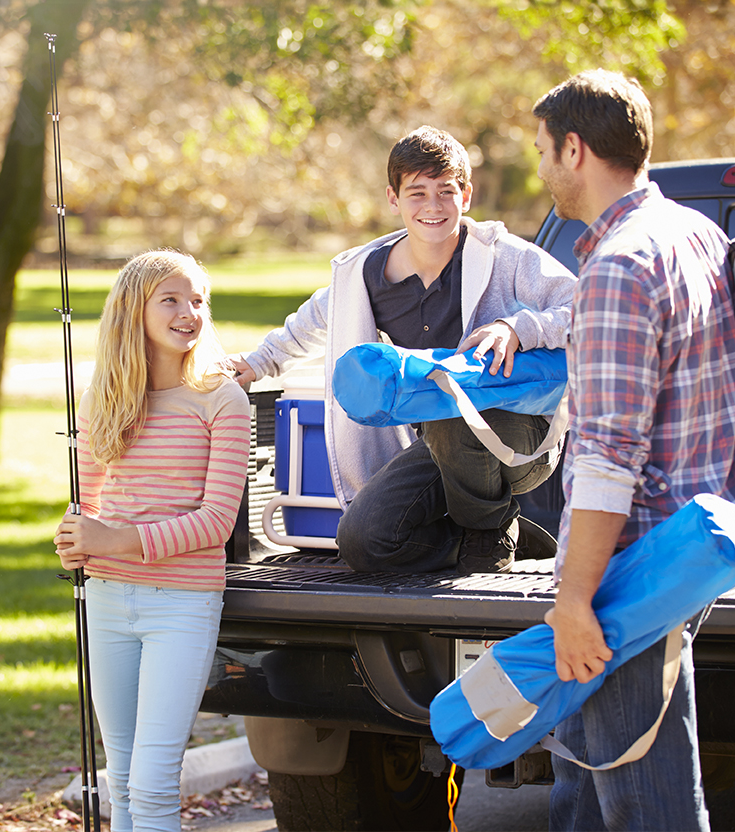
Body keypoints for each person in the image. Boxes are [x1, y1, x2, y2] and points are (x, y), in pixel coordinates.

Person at [533, 70, 735, 831]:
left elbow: (606, 456)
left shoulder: (620, 267)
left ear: (574, 148)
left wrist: (575, 600)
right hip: (683, 549)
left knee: (645, 807)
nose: (541, 170)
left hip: (628, 571)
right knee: (583, 792)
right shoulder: (692, 233)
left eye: (542, 152)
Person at [226, 126, 577, 573]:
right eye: (417, 193)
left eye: (446, 191)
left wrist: (517, 327)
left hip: (521, 439)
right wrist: (254, 365)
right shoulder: (365, 275)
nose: (433, 206)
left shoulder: (506, 256)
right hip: (442, 439)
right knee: (363, 540)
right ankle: (495, 540)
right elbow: (308, 326)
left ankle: (487, 530)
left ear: (466, 195)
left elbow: (586, 307)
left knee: (452, 407)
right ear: (393, 199)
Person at [54, 249, 252, 832]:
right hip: (110, 602)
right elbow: (87, 505)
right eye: (171, 299)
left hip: (183, 605)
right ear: (133, 310)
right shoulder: (104, 400)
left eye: (197, 300)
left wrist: (112, 538)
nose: (189, 312)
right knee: (122, 781)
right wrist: (72, 539)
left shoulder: (222, 399)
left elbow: (216, 522)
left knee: (153, 781)